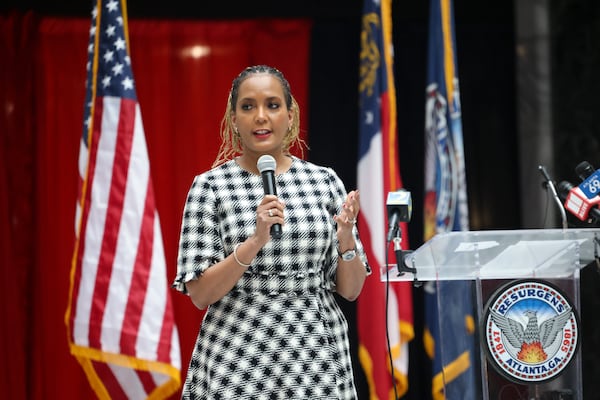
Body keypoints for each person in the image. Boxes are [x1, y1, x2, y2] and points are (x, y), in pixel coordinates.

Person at [172, 64, 371, 399]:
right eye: (248, 107)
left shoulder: (324, 181)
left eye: (273, 105)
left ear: (290, 115)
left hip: (314, 353)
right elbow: (200, 294)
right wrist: (254, 242)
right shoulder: (210, 188)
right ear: (234, 119)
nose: (260, 116)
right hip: (237, 353)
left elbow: (350, 290)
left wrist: (346, 239)